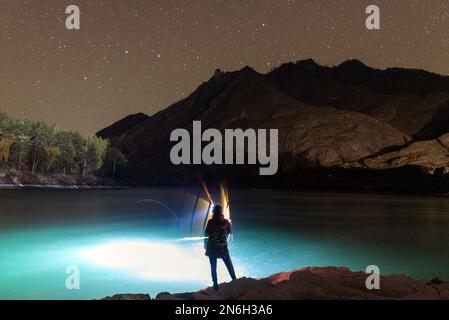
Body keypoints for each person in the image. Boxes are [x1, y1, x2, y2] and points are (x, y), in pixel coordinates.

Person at [204, 204, 237, 291]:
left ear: (213, 212)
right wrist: (230, 224)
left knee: (213, 266)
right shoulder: (226, 222)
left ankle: (215, 284)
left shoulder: (210, 222)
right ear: (221, 212)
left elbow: (206, 234)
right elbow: (231, 233)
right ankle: (234, 280)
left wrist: (204, 245)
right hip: (222, 248)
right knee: (229, 264)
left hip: (211, 247)